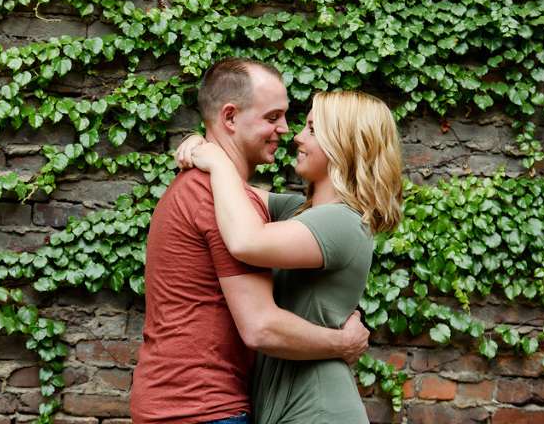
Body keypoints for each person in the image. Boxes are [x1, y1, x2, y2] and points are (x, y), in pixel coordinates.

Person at [129, 58, 372, 424]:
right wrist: (342, 343)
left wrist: (205, 148)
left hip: (189, 404)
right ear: (229, 118)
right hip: (201, 409)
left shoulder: (228, 198)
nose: (287, 131)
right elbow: (260, 325)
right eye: (273, 117)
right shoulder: (216, 200)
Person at [177, 90, 404, 423]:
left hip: (318, 409)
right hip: (285, 407)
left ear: (344, 143)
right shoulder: (300, 212)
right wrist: (204, 141)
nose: (297, 136)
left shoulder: (343, 221)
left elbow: (245, 239)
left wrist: (216, 158)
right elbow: (225, 192)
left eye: (312, 129)